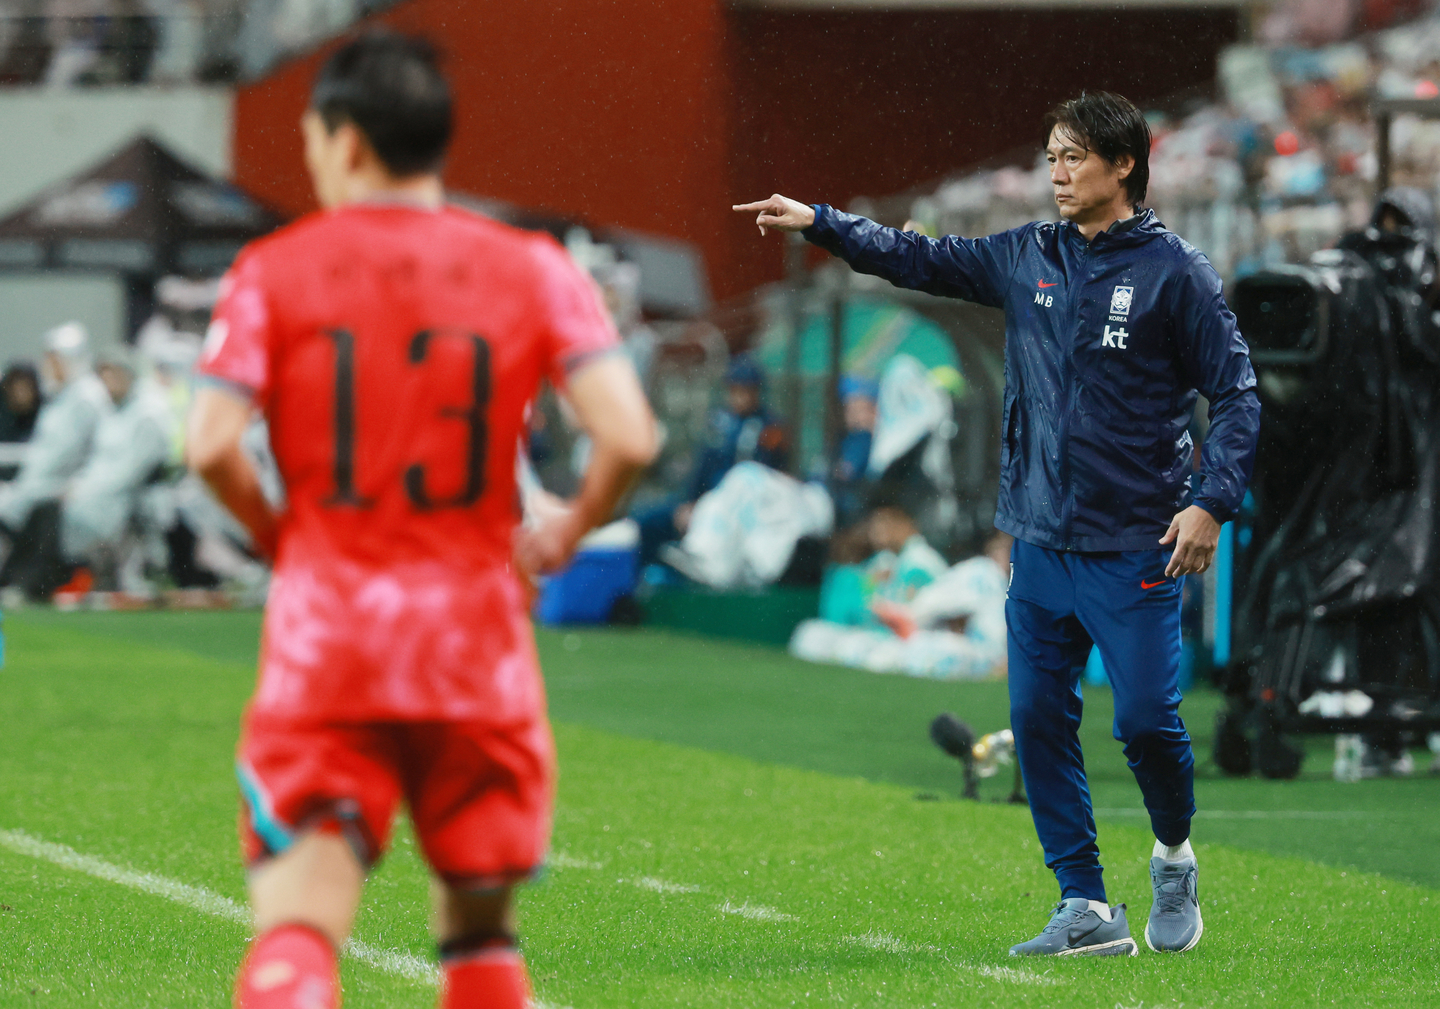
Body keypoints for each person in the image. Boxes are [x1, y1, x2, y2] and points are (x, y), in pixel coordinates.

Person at [186, 32, 658, 1009]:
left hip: (330, 640)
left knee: (299, 935)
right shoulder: (531, 268)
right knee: (481, 944)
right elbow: (632, 437)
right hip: (472, 647)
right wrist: (566, 532)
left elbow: (209, 445)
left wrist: (283, 538)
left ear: (345, 140)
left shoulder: (275, 268)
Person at [736, 90, 1260, 957]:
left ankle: (1173, 852)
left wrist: (1210, 499)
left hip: (1138, 540)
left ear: (1122, 165)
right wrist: (822, 222)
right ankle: (1084, 904)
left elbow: (1237, 395)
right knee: (1038, 719)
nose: (1055, 173)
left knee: (1143, 722)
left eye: (1073, 158)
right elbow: (917, 256)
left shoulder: (1177, 274)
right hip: (1039, 537)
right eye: (1050, 157)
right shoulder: (1025, 257)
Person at [633, 353, 788, 566]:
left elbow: (769, 475)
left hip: (733, 510)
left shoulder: (769, 427)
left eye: (745, 389)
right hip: (703, 501)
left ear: (756, 391)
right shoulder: (720, 421)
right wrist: (689, 502)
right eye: (734, 389)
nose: (739, 396)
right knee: (644, 520)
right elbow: (702, 467)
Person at [0, 322, 111, 599]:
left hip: (67, 488)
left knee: (35, 511)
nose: (48, 365)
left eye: (53, 359)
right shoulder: (63, 396)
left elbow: (85, 451)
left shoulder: (87, 397)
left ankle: (25, 582)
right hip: (41, 483)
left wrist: (75, 484)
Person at [60, 348, 174, 589]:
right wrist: (79, 485)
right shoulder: (110, 413)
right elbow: (98, 460)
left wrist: (89, 490)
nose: (108, 382)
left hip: (136, 493)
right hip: (101, 489)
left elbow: (133, 472)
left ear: (128, 375)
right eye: (104, 376)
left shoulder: (149, 412)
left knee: (86, 509)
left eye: (113, 375)